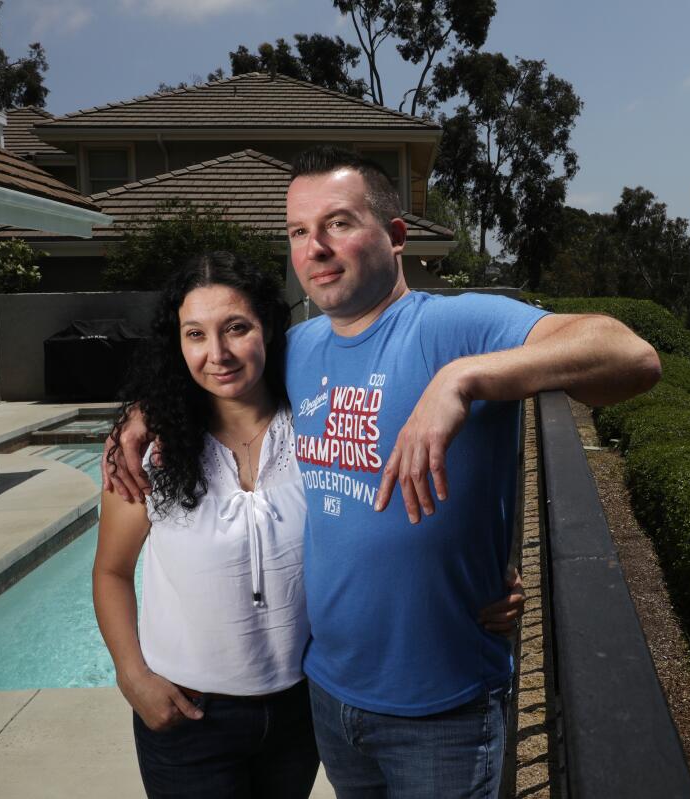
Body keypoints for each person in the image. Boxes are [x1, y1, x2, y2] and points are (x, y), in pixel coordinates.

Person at [107, 147, 662, 798]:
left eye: (338, 223)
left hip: (442, 708)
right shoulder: (302, 349)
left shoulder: (458, 327)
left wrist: (462, 378)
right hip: (331, 700)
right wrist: (140, 416)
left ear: (395, 237)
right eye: (297, 231)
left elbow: (632, 355)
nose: (314, 247)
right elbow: (217, 370)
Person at [93, 251, 526, 799]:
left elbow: (389, 513)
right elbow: (111, 571)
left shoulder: (317, 430)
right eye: (194, 335)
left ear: (270, 329)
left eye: (236, 328)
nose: (217, 353)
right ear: (175, 345)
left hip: (301, 712)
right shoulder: (149, 454)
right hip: (186, 717)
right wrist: (132, 674)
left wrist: (491, 569)